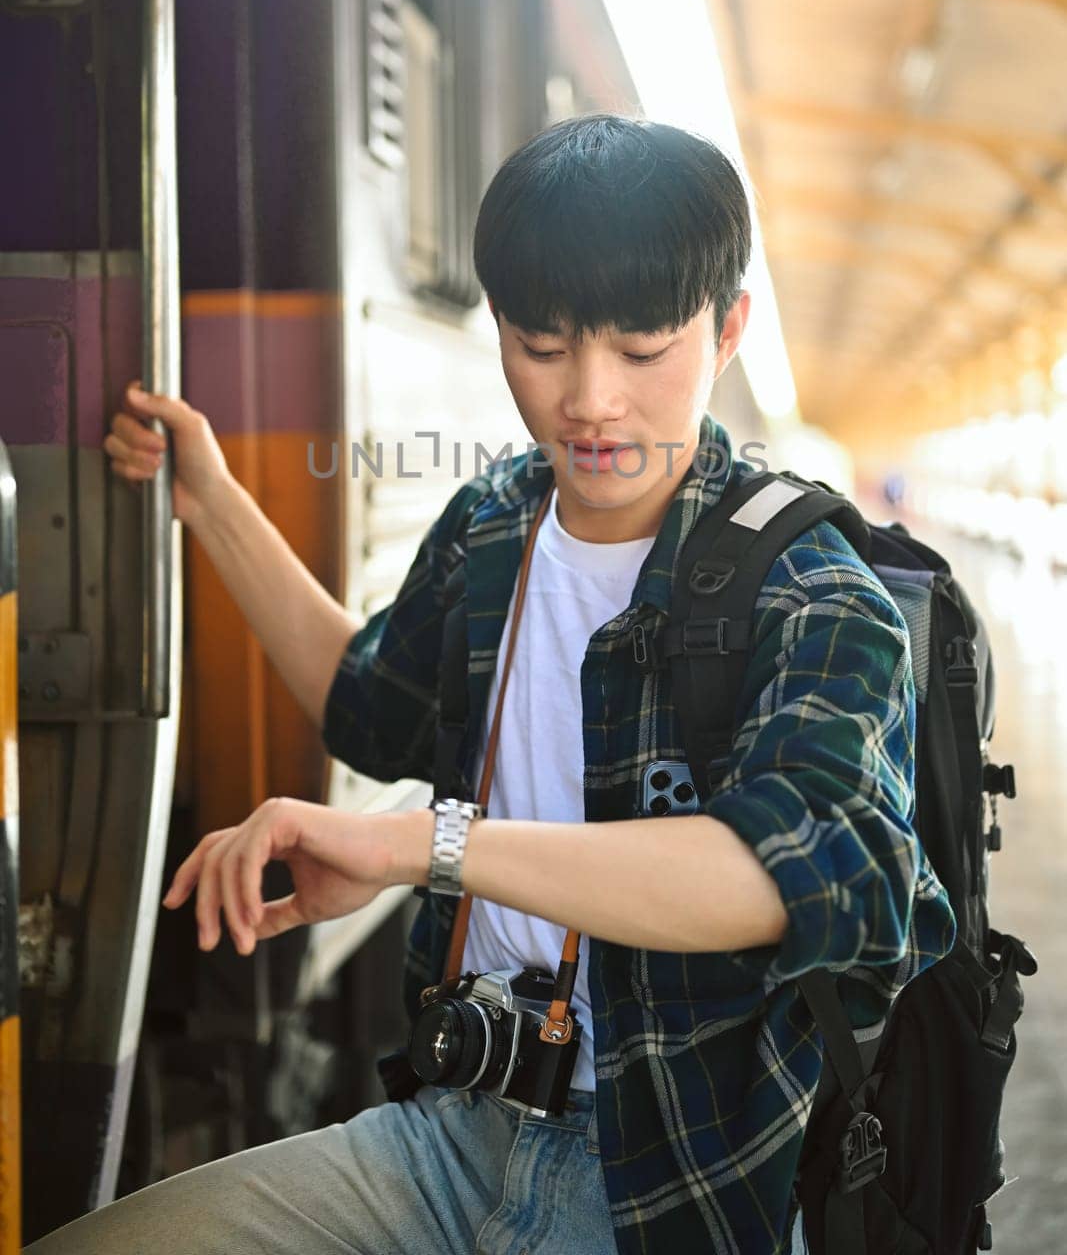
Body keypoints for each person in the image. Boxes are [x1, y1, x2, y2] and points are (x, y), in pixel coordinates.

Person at [27, 115, 956, 1255]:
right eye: (543, 343)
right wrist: (213, 501)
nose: (590, 400)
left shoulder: (812, 590)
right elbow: (369, 702)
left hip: (666, 1187)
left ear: (726, 331)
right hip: (446, 1134)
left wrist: (431, 844)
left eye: (640, 346)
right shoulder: (497, 521)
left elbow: (790, 876)